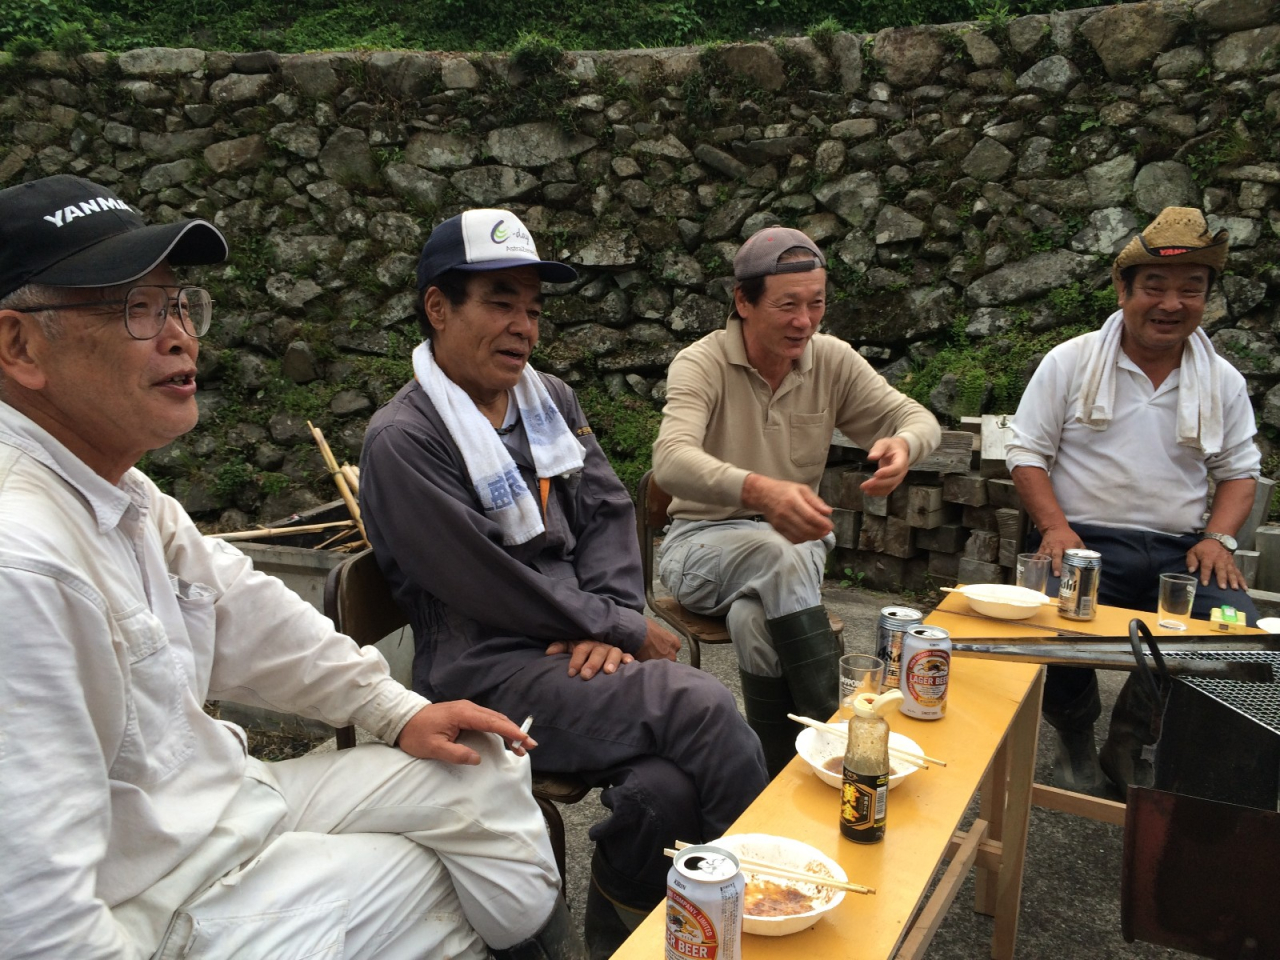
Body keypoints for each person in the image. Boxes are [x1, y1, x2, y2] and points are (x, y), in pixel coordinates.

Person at [0, 176, 582, 960]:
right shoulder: (23, 562)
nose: (181, 336)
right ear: (19, 346)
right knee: (440, 883)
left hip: (224, 809)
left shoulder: (123, 493)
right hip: (158, 902)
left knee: (484, 771)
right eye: (137, 308)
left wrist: (395, 710)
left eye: (179, 305)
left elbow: (243, 607)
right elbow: (34, 919)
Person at [357, 208, 769, 959]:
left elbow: (608, 507)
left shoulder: (546, 400)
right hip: (485, 669)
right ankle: (772, 914)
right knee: (703, 706)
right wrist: (616, 629)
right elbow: (484, 578)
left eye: (534, 309)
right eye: (501, 302)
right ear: (438, 308)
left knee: (664, 796)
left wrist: (611, 613)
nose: (524, 327)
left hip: (571, 644)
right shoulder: (405, 439)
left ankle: (625, 936)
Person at [652, 226, 942, 776]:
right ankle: (838, 742)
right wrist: (757, 488)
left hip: (796, 542)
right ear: (743, 301)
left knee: (752, 620)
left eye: (816, 304)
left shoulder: (830, 360)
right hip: (699, 548)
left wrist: (904, 445)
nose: (804, 321)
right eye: (788, 305)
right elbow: (669, 460)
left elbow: (918, 418)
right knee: (776, 555)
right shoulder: (701, 363)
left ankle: (778, 771)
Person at [1006, 206, 1261, 797]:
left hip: (1180, 550)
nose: (1172, 304)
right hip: (1083, 537)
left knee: (1236, 629)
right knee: (1047, 605)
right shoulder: (1071, 361)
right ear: (1123, 291)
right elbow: (1025, 452)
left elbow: (1240, 474)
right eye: (1155, 287)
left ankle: (1132, 738)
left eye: (1190, 291)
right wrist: (1055, 527)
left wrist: (1217, 539)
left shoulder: (1220, 379)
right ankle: (1073, 731)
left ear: (1205, 300)